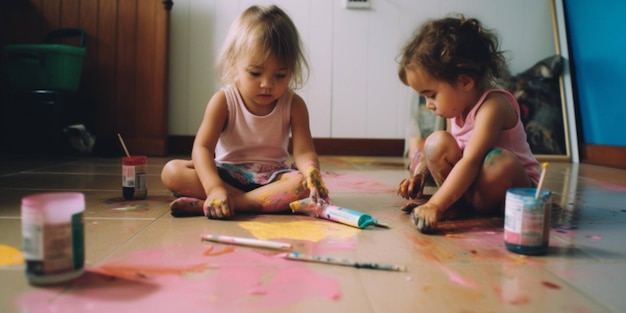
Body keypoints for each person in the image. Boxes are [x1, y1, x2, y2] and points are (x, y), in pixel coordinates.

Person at [160, 5, 329, 219]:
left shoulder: (294, 104)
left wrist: (311, 172)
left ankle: (230, 204)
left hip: (272, 178)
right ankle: (228, 199)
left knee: (301, 185)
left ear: (292, 70)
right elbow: (202, 148)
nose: (267, 84)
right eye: (255, 73)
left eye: (280, 75)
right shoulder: (224, 101)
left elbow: (304, 151)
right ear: (234, 62)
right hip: (227, 176)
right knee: (172, 172)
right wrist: (214, 187)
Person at [395, 15, 540, 233]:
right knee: (437, 142)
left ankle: (455, 204)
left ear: (465, 82)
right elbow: (451, 152)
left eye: (431, 95)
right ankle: (458, 203)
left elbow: (472, 160)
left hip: (514, 187)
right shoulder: (455, 107)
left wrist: (435, 204)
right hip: (477, 186)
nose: (428, 105)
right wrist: (420, 176)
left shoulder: (493, 106)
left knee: (501, 162)